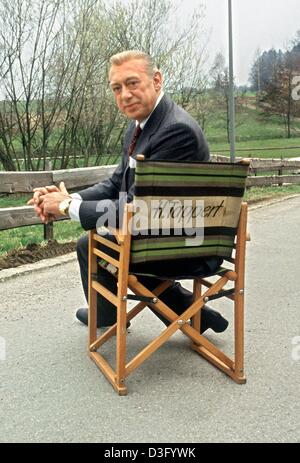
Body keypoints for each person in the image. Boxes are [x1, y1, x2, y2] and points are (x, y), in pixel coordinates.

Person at [29, 50, 228, 333]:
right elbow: (115, 184)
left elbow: (141, 214)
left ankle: (107, 315)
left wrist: (64, 208)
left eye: (132, 83)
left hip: (187, 245)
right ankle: (192, 316)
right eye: (117, 88)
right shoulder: (140, 125)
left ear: (156, 80)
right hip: (165, 233)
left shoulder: (175, 131)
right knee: (102, 244)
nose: (125, 94)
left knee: (99, 245)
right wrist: (71, 199)